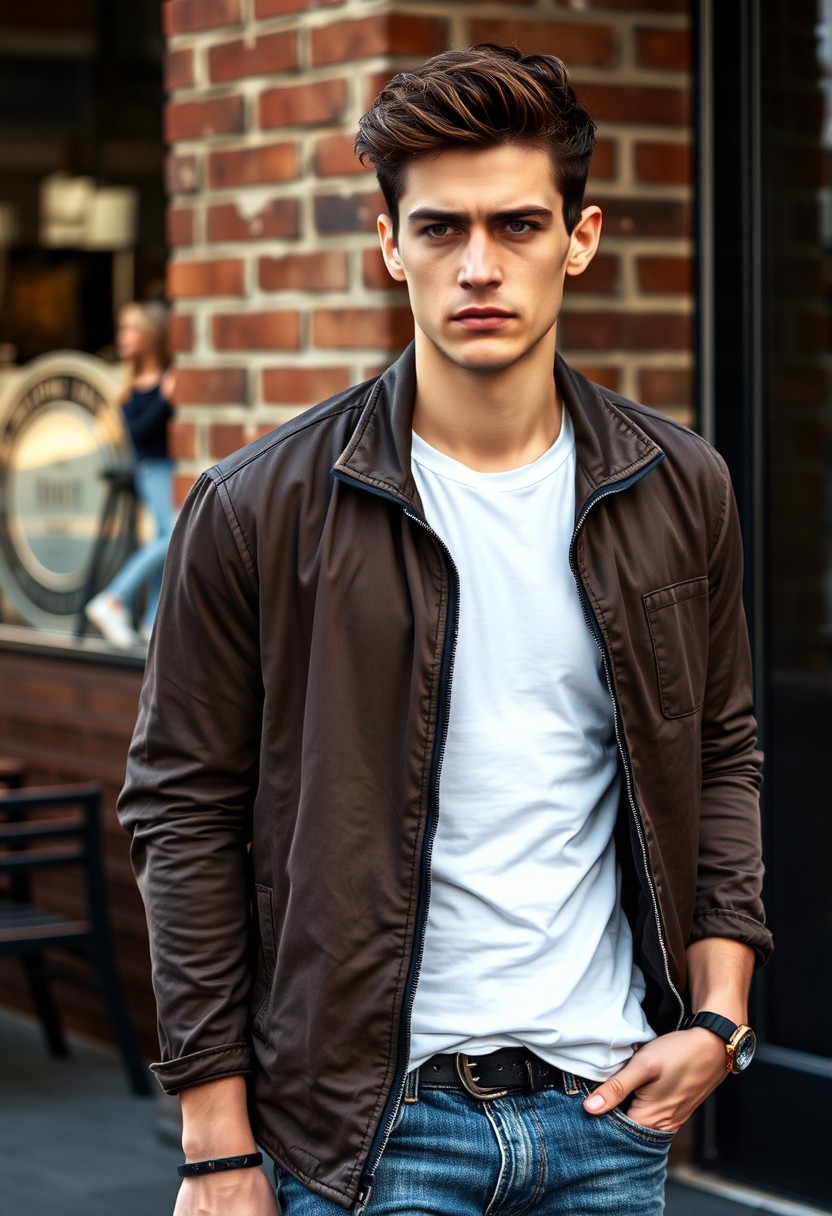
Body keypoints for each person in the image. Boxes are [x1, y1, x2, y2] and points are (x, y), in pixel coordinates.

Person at [118, 45, 772, 1216]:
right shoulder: (258, 505)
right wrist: (215, 1145)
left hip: (605, 1108)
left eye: (519, 226)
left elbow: (719, 751)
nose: (479, 267)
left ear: (580, 239)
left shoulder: (681, 488)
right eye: (440, 230)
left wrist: (719, 1017)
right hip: (371, 1130)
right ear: (390, 246)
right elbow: (184, 814)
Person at [85, 300, 175, 648]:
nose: (122, 337)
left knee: (164, 544)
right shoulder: (132, 388)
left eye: (130, 329)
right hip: (154, 471)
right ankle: (113, 599)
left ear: (152, 335)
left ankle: (152, 623)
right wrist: (165, 399)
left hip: (171, 469)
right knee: (171, 538)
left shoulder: (171, 375)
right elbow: (139, 433)